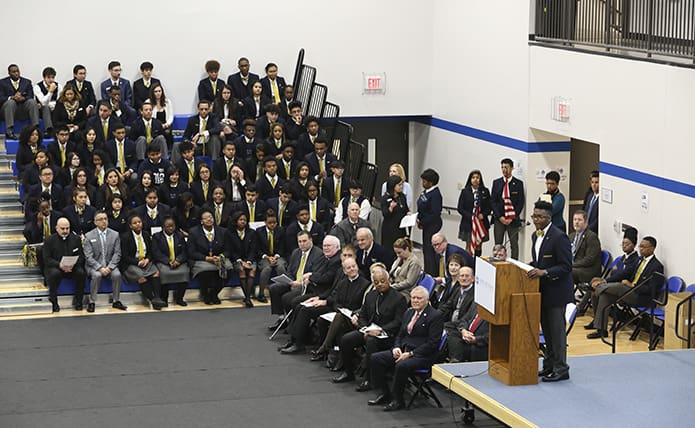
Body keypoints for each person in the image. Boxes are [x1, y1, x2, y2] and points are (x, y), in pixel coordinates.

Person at [369, 285, 443, 412]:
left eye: (419, 298)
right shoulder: (409, 312)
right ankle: (385, 393)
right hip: (404, 350)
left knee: (401, 365)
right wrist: (396, 347)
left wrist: (411, 354)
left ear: (427, 300)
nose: (415, 300)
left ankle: (398, 400)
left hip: (422, 355)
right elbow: (400, 334)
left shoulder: (435, 316)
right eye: (413, 297)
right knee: (376, 358)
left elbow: (433, 344)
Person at [332, 267, 408, 386]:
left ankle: (369, 378)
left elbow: (398, 322)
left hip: (388, 334)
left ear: (389, 281)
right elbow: (363, 316)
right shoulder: (371, 296)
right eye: (376, 282)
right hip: (369, 330)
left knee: (371, 342)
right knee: (346, 339)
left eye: (382, 281)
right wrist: (364, 328)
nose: (380, 284)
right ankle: (348, 373)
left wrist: (380, 330)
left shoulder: (399, 298)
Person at [286, 257, 370, 356]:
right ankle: (313, 345)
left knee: (308, 311)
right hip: (339, 311)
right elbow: (336, 299)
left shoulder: (365, 284)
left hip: (352, 315)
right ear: (344, 271)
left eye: (354, 266)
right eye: (348, 268)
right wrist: (338, 308)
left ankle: (323, 348)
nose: (352, 269)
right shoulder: (342, 283)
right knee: (319, 318)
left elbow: (362, 305)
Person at [527, 200, 573, 382]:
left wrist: (544, 272)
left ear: (549, 217)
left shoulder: (559, 237)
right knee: (546, 331)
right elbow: (539, 261)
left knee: (557, 333)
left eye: (539, 217)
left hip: (557, 293)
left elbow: (566, 266)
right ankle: (548, 366)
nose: (536, 220)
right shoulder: (534, 236)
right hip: (542, 292)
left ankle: (561, 368)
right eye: (534, 216)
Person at [586, 236, 664, 339]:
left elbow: (652, 289)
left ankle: (596, 288)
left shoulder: (657, 266)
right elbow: (625, 273)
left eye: (644, 247)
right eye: (640, 246)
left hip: (641, 297)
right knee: (605, 296)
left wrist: (633, 285)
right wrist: (605, 280)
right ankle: (601, 330)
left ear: (652, 248)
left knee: (620, 285)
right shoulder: (639, 260)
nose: (640, 249)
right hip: (628, 292)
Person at [267, 230, 328, 329]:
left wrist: (300, 283)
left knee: (287, 298)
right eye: (299, 242)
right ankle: (282, 317)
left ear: (311, 240)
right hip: (294, 281)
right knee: (274, 288)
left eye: (304, 241)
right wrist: (289, 280)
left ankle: (293, 322)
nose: (302, 244)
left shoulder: (318, 254)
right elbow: (290, 271)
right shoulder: (296, 252)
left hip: (306, 286)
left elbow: (316, 275)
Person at [120, 214, 166, 310]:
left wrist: (148, 259)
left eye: (139, 222)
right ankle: (153, 300)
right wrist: (137, 262)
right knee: (141, 277)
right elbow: (124, 256)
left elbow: (151, 251)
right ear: (130, 226)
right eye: (135, 223)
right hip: (131, 264)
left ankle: (157, 297)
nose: (138, 224)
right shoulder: (125, 237)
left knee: (156, 272)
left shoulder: (146, 234)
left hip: (145, 261)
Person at [83, 210, 126, 312]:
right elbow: (88, 257)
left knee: (117, 275)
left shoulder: (115, 235)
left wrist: (110, 267)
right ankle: (92, 302)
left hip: (110, 264)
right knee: (97, 275)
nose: (104, 221)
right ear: (95, 222)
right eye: (101, 219)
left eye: (105, 219)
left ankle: (116, 300)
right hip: (94, 265)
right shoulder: (89, 236)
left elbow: (117, 254)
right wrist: (100, 268)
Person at [43, 217, 87, 312]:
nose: (65, 231)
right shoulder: (49, 240)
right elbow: (47, 259)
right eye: (63, 229)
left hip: (72, 267)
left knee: (81, 273)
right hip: (56, 267)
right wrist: (60, 265)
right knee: (54, 274)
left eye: (67, 228)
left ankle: (79, 301)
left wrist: (73, 265)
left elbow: (81, 256)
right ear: (57, 228)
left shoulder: (76, 239)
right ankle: (54, 301)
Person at [151, 216, 190, 306]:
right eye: (168, 226)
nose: (171, 228)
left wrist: (178, 260)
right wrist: (168, 261)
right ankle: (164, 298)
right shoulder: (157, 237)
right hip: (164, 262)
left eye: (172, 226)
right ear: (163, 227)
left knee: (185, 272)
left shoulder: (180, 235)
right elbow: (156, 252)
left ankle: (179, 298)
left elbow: (184, 251)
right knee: (164, 272)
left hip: (178, 261)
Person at [491, 158, 525, 260]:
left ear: (512, 168)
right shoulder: (496, 183)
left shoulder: (518, 183)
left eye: (506, 167)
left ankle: (514, 265)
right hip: (499, 219)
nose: (504, 169)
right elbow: (493, 201)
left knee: (514, 244)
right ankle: (498, 264)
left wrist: (512, 217)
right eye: (502, 167)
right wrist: (500, 216)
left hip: (513, 220)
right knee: (498, 244)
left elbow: (520, 202)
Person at [225, 211, 258, 307]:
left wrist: (248, 261)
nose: (243, 222)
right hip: (236, 259)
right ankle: (247, 298)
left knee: (252, 270)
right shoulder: (229, 233)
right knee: (241, 270)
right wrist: (241, 261)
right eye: (241, 220)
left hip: (250, 258)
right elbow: (230, 250)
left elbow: (253, 249)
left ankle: (247, 298)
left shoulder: (252, 233)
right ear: (235, 221)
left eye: (244, 220)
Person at [457, 169, 492, 257]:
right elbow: (460, 208)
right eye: (473, 177)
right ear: (470, 179)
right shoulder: (465, 191)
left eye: (477, 177)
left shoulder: (485, 191)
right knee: (469, 245)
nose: (475, 179)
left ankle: (477, 264)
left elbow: (489, 207)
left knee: (479, 245)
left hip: (481, 223)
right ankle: (468, 265)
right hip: (468, 223)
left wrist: (483, 215)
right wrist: (471, 217)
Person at [0, 64, 39, 139]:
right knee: (11, 102)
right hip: (7, 111)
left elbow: (30, 95)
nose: (16, 73)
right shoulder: (2, 83)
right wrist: (12, 97)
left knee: (32, 102)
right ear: (9, 73)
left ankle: (35, 129)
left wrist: (23, 98)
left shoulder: (27, 82)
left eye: (17, 71)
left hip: (23, 109)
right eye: (14, 72)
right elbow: (0, 98)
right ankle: (9, 131)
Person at [255, 210, 287, 303]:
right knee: (267, 269)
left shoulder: (281, 230)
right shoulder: (259, 231)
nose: (272, 225)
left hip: (278, 256)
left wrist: (276, 256)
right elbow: (257, 249)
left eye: (274, 223)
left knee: (280, 267)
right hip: (264, 257)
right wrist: (267, 257)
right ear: (265, 222)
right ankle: (261, 294)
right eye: (270, 223)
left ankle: (284, 291)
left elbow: (282, 247)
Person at [417, 168, 443, 276]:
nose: (423, 183)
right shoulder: (425, 192)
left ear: (430, 182)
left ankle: (432, 273)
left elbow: (435, 213)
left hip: (432, 225)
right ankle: (427, 271)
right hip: (426, 225)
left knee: (430, 250)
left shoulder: (435, 194)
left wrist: (423, 221)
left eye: (424, 181)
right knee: (426, 250)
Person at [439, 266, 476, 334]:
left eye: (467, 276)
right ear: (458, 278)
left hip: (461, 328)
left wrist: (445, 325)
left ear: (473, 278)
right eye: (462, 276)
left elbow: (466, 318)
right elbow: (447, 307)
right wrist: (434, 315)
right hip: (450, 323)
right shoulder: (457, 290)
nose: (464, 278)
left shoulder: (475, 295)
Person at [569, 210, 602, 284]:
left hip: (588, 270)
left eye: (579, 220)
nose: (576, 222)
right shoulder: (571, 236)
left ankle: (566, 295)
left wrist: (572, 265)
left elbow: (589, 260)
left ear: (586, 222)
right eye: (575, 219)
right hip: (575, 266)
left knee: (565, 272)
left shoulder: (591, 237)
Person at [381, 175, 409, 259]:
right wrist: (390, 208)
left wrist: (408, 213)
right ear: (393, 185)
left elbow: (405, 208)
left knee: (401, 249)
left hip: (400, 228)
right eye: (399, 185)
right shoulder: (385, 198)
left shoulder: (402, 196)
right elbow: (385, 214)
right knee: (390, 252)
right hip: (389, 230)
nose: (401, 187)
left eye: (401, 185)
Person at [388, 237, 422, 301]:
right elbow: (391, 273)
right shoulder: (400, 258)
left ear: (406, 249)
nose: (397, 255)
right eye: (396, 253)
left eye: (399, 252)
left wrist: (392, 287)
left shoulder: (414, 263)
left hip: (405, 292)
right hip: (394, 286)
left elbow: (409, 283)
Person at [33, 66, 60, 136]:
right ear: (44, 77)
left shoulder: (59, 86)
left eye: (53, 77)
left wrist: (50, 104)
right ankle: (49, 130)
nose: (51, 80)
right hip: (41, 111)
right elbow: (43, 102)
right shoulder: (37, 87)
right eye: (48, 77)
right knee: (45, 107)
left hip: (55, 109)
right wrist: (50, 92)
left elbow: (60, 101)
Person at [148, 83, 174, 151]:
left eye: (159, 91)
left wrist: (167, 124)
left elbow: (171, 116)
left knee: (167, 132)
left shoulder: (167, 102)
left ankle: (168, 151)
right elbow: (149, 117)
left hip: (166, 125)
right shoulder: (148, 102)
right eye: (156, 91)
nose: (158, 93)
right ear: (152, 93)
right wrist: (159, 126)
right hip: (154, 126)